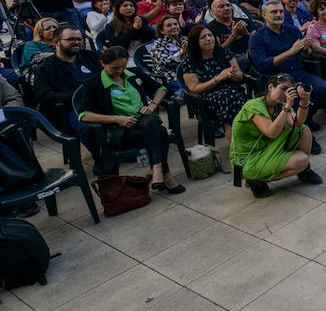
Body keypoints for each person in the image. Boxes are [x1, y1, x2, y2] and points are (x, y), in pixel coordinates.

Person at [77, 45, 183, 192]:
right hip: (121, 132)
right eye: (115, 68)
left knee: (150, 121)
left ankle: (158, 170)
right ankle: (164, 174)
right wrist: (116, 119)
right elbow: (84, 115)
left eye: (123, 66)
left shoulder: (134, 74)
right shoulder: (93, 84)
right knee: (160, 132)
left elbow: (160, 88)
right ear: (102, 63)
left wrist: (152, 104)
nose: (120, 71)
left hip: (144, 125)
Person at [248, 1, 326, 139]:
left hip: (298, 73)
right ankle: (301, 132)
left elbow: (306, 54)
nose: (278, 14)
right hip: (276, 79)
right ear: (264, 15)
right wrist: (291, 51)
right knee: (294, 98)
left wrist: (306, 49)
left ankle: (306, 118)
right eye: (274, 12)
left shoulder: (292, 30)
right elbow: (262, 64)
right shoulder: (257, 37)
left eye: (281, 11)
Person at [231, 73, 322, 197]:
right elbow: (271, 133)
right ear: (270, 87)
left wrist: (304, 102)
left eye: (289, 90)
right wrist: (288, 106)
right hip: (249, 158)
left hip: (266, 146)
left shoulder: (280, 105)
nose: (285, 94)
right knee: (302, 160)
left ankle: (304, 171)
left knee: (304, 130)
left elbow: (298, 123)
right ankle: (256, 181)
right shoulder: (253, 106)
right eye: (283, 89)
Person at [181, 24, 250, 139]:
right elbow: (194, 89)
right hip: (207, 99)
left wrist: (233, 75)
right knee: (233, 98)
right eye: (203, 37)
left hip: (233, 94)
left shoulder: (224, 52)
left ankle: (237, 145)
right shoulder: (190, 61)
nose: (208, 39)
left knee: (232, 101)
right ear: (195, 42)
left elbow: (240, 77)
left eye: (210, 35)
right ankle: (242, 143)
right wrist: (217, 78)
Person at [33, 24, 101, 136]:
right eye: (71, 39)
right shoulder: (45, 68)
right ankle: (100, 153)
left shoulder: (90, 57)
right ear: (56, 42)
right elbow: (44, 95)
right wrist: (75, 97)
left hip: (100, 102)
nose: (77, 42)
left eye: (79, 39)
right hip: (72, 109)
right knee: (87, 129)